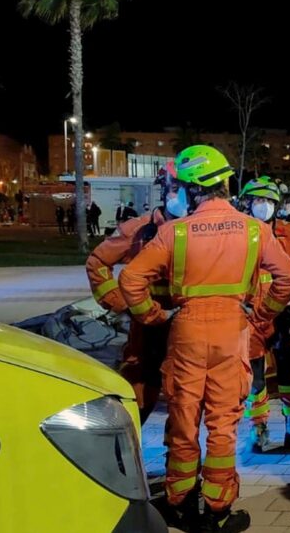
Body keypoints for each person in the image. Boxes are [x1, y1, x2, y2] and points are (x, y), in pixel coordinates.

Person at [120, 145, 290, 533]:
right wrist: (261, 315)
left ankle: (180, 502)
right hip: (232, 331)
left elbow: (130, 280)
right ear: (223, 182)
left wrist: (153, 316)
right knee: (223, 424)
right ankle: (218, 509)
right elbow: (288, 279)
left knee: (184, 420)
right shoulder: (255, 230)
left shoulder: (173, 232)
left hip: (186, 331)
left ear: (191, 189)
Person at [85, 163, 180, 423]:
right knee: (137, 390)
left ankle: (180, 458)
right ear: (165, 191)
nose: (180, 195)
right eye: (175, 188)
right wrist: (119, 302)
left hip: (186, 324)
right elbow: (98, 262)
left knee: (184, 398)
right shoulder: (139, 230)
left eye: (186, 189)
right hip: (146, 323)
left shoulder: (201, 231)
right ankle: (127, 449)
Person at [237, 175, 290, 453]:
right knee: (255, 380)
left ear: (277, 204)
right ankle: (258, 430)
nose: (262, 206)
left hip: (282, 315)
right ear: (246, 204)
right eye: (256, 200)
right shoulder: (237, 233)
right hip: (249, 317)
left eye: (267, 201)